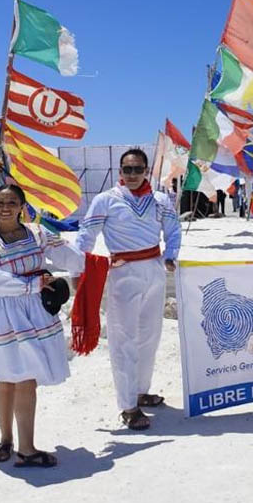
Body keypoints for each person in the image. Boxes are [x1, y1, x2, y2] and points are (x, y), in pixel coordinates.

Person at [0, 184, 84, 468]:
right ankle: (8, 439)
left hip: (33, 313)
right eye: (0, 202)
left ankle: (24, 447)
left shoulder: (37, 233)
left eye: (12, 202)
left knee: (25, 376)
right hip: (3, 314)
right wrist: (33, 284)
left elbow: (68, 254)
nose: (6, 207)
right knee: (6, 377)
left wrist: (93, 266)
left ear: (22, 206)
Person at [75, 149, 180, 430]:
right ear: (120, 171)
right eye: (127, 169)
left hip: (155, 270)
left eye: (137, 169)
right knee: (123, 340)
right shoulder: (106, 200)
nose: (132, 175)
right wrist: (77, 270)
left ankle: (140, 391)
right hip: (123, 273)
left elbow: (173, 228)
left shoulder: (159, 200)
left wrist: (171, 253)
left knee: (150, 335)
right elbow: (86, 235)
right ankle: (128, 406)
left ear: (146, 170)